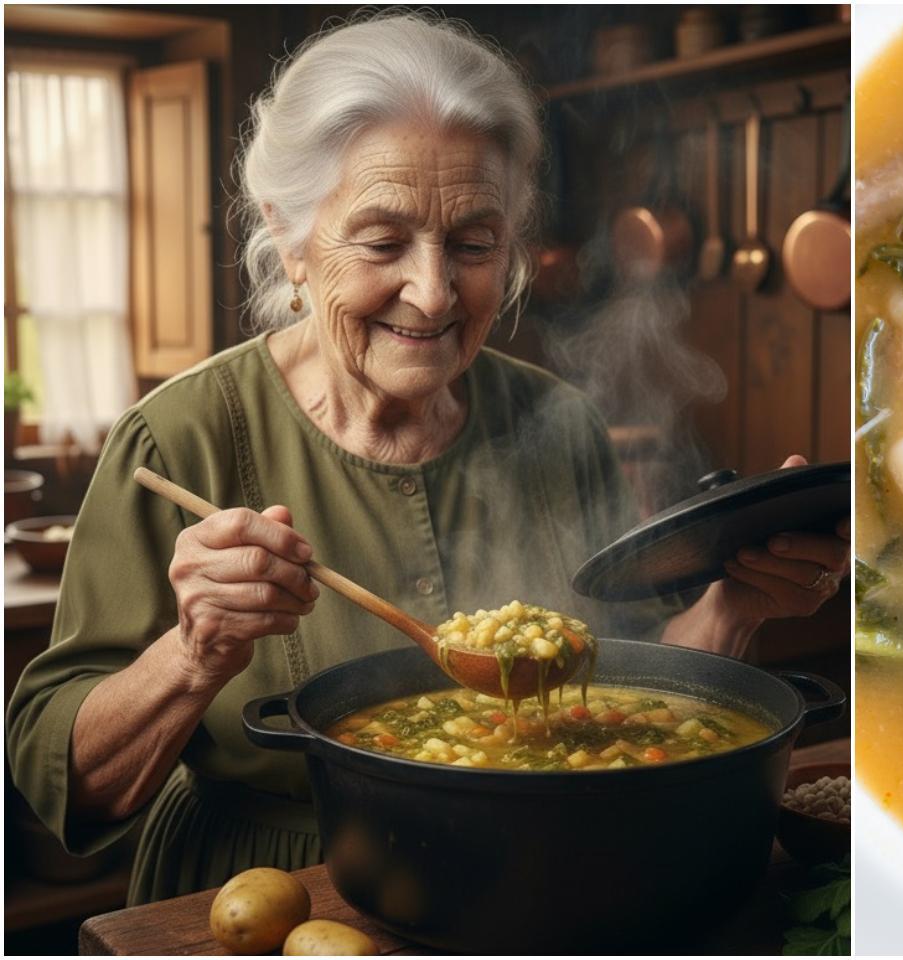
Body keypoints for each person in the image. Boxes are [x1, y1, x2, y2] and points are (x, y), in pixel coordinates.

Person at [5, 12, 847, 905]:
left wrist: (737, 604)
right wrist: (193, 654)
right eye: (382, 240)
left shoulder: (559, 422)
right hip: (270, 893)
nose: (435, 290)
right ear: (289, 236)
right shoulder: (177, 438)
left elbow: (640, 692)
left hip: (547, 876)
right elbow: (62, 784)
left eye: (475, 242)